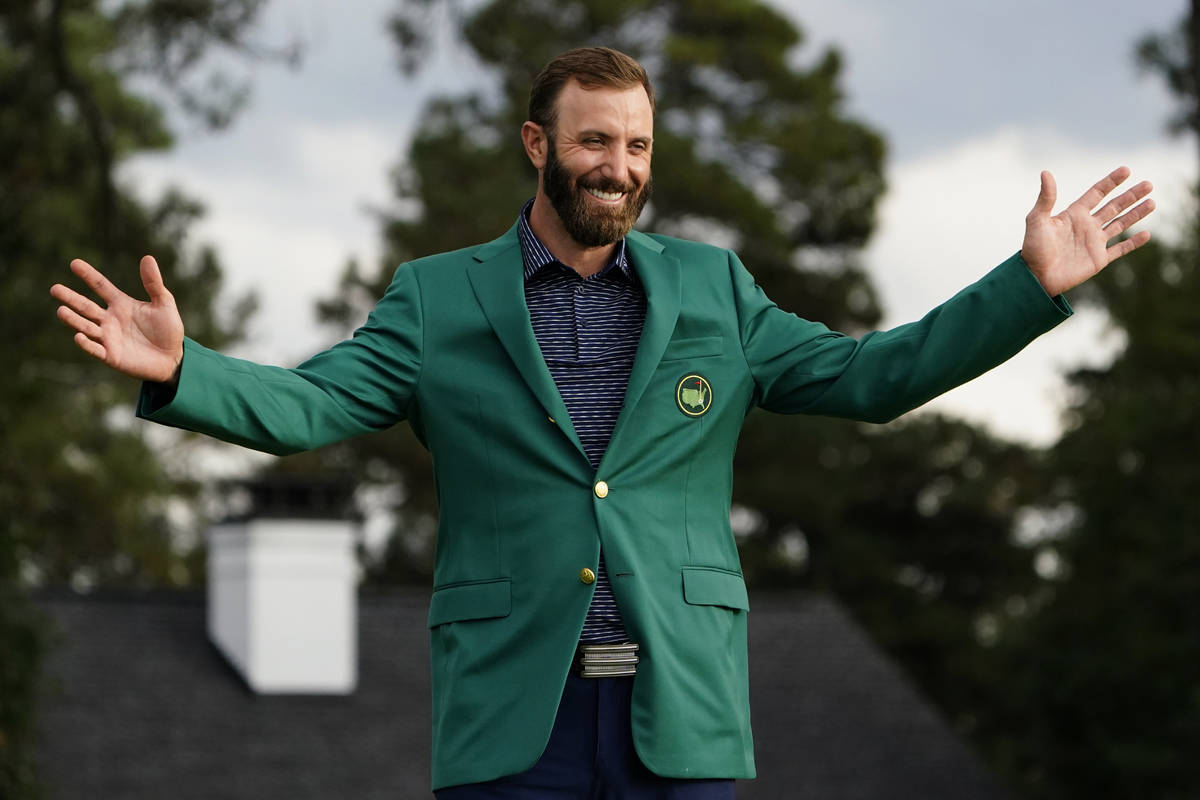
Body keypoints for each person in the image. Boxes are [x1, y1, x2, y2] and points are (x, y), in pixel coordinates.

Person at [51, 46, 1154, 799]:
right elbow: (313, 403)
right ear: (538, 145)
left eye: (634, 147)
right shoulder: (439, 299)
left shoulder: (716, 292)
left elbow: (871, 376)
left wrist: (1025, 285)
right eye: (593, 143)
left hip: (679, 705)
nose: (617, 168)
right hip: (510, 708)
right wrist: (185, 368)